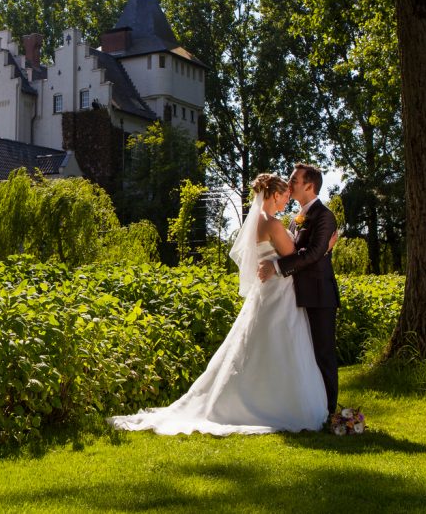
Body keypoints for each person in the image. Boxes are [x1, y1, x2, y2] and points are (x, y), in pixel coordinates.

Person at [108, 173, 328, 435]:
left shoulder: (256, 221)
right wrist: (325, 249)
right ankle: (280, 403)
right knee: (282, 345)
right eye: (285, 196)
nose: (287, 201)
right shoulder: (273, 224)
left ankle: (256, 398)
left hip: (266, 293)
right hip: (279, 294)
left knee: (261, 345)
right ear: (275, 194)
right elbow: (293, 257)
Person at [258, 163, 340, 415]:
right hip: (297, 294)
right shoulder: (296, 219)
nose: (290, 184)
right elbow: (306, 251)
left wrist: (277, 266)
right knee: (306, 355)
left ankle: (328, 410)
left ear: (309, 185)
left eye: (294, 180)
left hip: (319, 294)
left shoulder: (324, 215)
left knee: (323, 354)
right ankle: (312, 407)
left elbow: (313, 252)